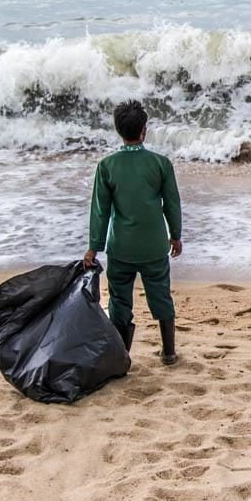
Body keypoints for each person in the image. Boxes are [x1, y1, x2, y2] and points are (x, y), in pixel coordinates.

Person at [83, 100, 183, 365]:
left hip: (121, 248)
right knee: (161, 295)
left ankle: (122, 356)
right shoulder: (161, 164)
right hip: (153, 246)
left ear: (119, 131)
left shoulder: (107, 166)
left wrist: (94, 246)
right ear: (144, 130)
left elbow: (100, 211)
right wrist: (175, 235)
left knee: (119, 300)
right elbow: (172, 203)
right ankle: (169, 353)